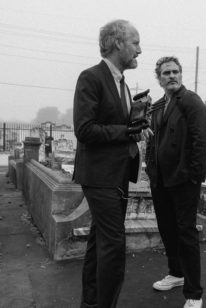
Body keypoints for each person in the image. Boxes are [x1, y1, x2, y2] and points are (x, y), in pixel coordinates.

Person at [73, 19, 152, 308]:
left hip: (118, 174)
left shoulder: (124, 85)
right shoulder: (91, 77)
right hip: (99, 176)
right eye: (135, 42)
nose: (140, 50)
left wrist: (139, 123)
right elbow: (84, 130)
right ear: (118, 42)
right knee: (114, 247)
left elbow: (119, 127)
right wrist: (126, 131)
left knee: (99, 244)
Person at [145, 56, 206, 308]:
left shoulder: (191, 101)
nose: (171, 76)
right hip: (160, 180)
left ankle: (194, 294)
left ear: (181, 75)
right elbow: (152, 140)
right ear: (159, 78)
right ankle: (176, 273)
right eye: (165, 73)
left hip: (184, 180)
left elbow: (202, 140)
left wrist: (194, 175)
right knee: (167, 229)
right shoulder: (159, 105)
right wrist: (150, 169)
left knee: (186, 233)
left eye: (175, 72)